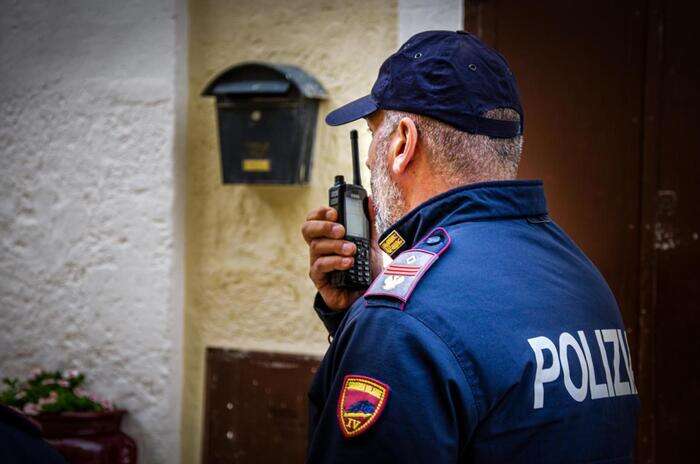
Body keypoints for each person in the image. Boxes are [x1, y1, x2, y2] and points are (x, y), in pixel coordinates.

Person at [301, 30, 639, 463]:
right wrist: (355, 314)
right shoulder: (582, 277)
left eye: (373, 132)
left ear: (403, 143)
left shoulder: (401, 320)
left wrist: (373, 326)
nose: (369, 159)